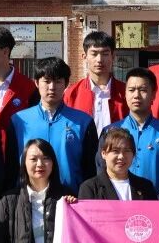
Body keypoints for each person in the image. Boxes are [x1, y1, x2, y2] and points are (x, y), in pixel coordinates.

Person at [8, 57, 98, 193]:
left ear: (66, 84)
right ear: (36, 83)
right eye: (47, 81)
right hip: (29, 198)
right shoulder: (19, 121)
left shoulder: (83, 122)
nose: (52, 87)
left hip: (71, 198)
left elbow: (90, 169)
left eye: (58, 81)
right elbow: (11, 166)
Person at [104, 67, 159, 198]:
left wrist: (157, 201)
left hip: (156, 204)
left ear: (154, 94)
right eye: (131, 90)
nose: (136, 95)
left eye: (143, 90)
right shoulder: (109, 132)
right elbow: (100, 169)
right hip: (116, 203)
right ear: (125, 93)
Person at [63, 31, 129, 132]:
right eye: (94, 54)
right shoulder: (71, 94)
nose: (99, 59)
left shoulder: (126, 92)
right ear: (84, 57)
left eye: (105, 54)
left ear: (113, 57)